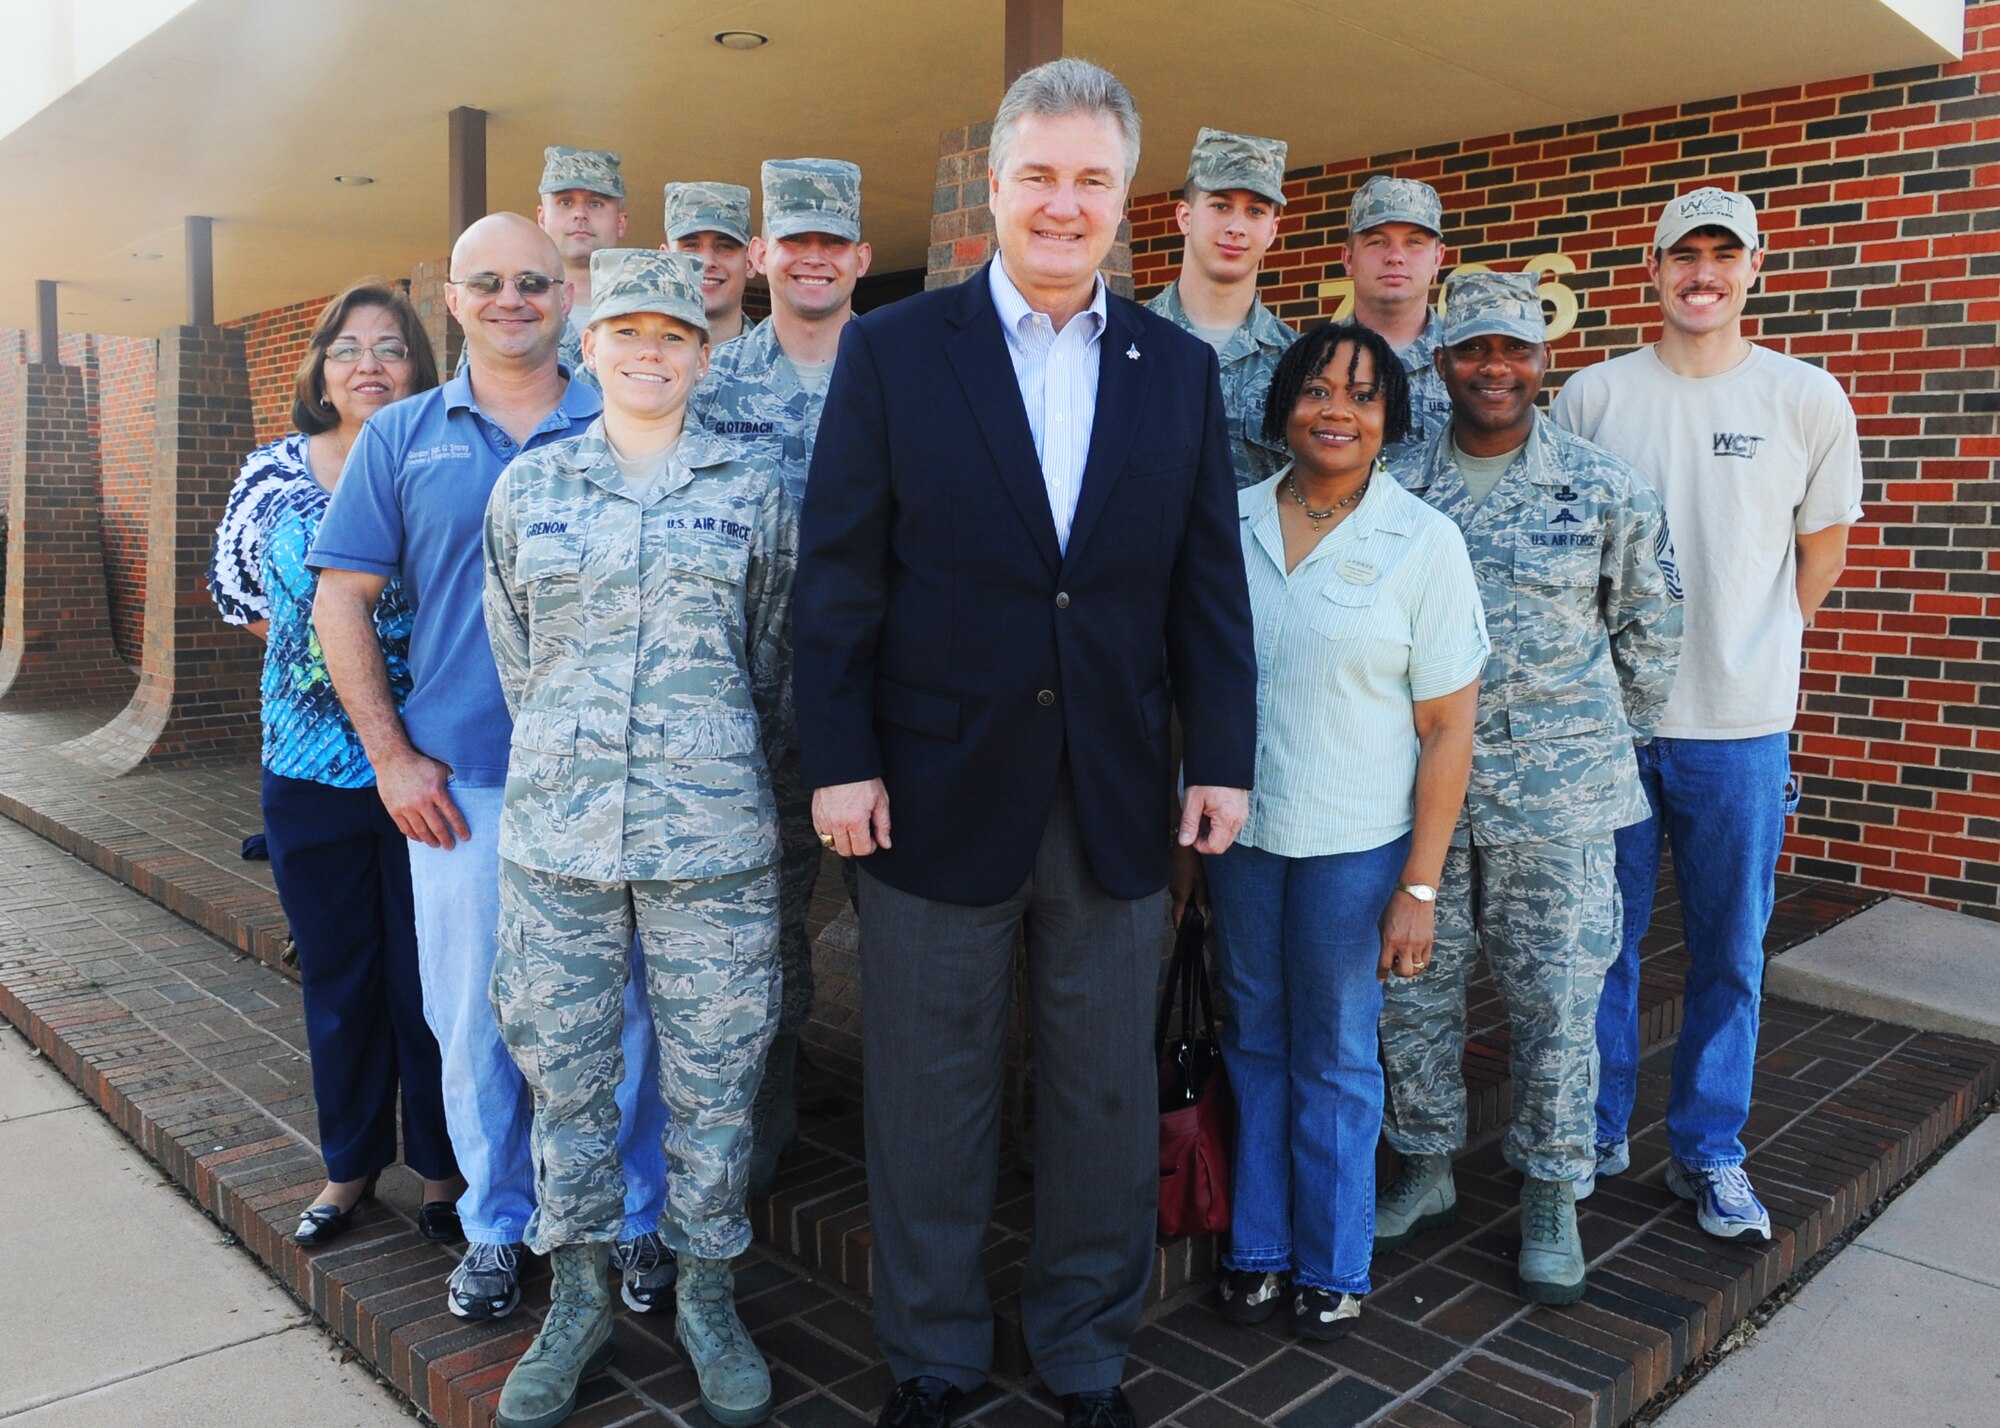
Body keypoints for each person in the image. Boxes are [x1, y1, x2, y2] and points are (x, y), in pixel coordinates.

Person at [795, 58, 1257, 1428]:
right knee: (928, 1091)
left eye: (1092, 181)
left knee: (1105, 1094)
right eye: (1039, 176)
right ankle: (934, 1351)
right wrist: (840, 757)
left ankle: (1083, 1347)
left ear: (1127, 199)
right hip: (927, 787)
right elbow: (840, 576)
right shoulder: (893, 350)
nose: (1064, 204)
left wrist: (1219, 757)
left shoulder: (1176, 371)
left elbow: (1206, 585)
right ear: (994, 187)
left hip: (1116, 792)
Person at [310, 213, 673, 1324]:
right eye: (487, 283)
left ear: (566, 296)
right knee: (473, 1023)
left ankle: (632, 1222)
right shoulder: (402, 436)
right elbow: (342, 599)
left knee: (625, 1018)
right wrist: (391, 760)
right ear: (453, 303)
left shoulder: (624, 416)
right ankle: (497, 1226)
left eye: (532, 280)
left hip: (606, 785)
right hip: (460, 787)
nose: (511, 298)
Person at [483, 248, 794, 1428]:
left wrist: (694, 756)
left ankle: (707, 1296)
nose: (649, 353)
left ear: (703, 355)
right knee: (565, 1081)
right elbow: (521, 660)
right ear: (588, 346)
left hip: (709, 844)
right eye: (627, 333)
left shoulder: (756, 488)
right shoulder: (531, 490)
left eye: (672, 335)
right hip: (557, 841)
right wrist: (578, 761)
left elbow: (772, 663)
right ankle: (578, 1299)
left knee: (714, 1086)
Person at [1552, 187, 1861, 1243]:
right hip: (1611, 728)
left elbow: (1817, 551)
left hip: (1737, 730)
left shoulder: (1804, 397)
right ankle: (1594, 1131)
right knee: (1602, 947)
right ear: (1650, 270)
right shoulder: (1592, 399)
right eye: (1682, 254)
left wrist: (1751, 643)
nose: (1701, 272)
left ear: (1752, 271)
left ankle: (1706, 1150)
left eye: (1721, 255)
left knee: (1729, 952)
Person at [1376, 271, 1682, 1304]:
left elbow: (1649, 629)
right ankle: (1423, 1167)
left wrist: (1593, 745)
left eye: (1511, 349)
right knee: (1409, 994)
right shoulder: (1396, 482)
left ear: (1540, 360)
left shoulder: (1602, 485)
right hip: (1417, 798)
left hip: (1556, 804)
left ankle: (1551, 1193)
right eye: (1471, 350)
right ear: (1441, 360)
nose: (1492, 368)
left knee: (1556, 1004)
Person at [1187, 320, 1484, 1339]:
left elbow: (1447, 729)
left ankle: (1333, 1259)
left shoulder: (1422, 542)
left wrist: (1419, 887)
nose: (1335, 411)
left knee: (1337, 1056)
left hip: (1355, 851)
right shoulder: (1222, 525)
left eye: (1361, 395)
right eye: (1316, 391)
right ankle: (1259, 1249)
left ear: (1387, 419)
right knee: (1254, 1044)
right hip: (1240, 841)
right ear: (1282, 410)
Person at [232, 282, 460, 1249]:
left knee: (431, 982)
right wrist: (328, 689)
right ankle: (349, 1165)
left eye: (393, 347)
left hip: (430, 771)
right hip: (308, 773)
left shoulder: (441, 457)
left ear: (419, 367)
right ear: (319, 368)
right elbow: (246, 598)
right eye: (348, 348)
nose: (369, 364)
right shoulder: (270, 473)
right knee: (337, 974)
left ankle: (446, 1171)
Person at [690, 157, 871, 1194]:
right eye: (790, 239)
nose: (810, 257)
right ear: (762, 256)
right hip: (754, 707)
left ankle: (906, 1116)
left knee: (902, 925)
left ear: (858, 256)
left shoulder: (903, 367)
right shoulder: (714, 384)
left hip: (884, 708)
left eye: (828, 240)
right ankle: (768, 1108)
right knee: (764, 924)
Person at [1145, 127, 1297, 488]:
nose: (1236, 227)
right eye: (1220, 205)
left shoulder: (1298, 361)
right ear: (1185, 216)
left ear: (1273, 230)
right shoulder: (1128, 341)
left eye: (1255, 211)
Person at [1342, 175, 1452, 458]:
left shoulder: (1465, 363)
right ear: (1348, 258)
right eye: (1377, 241)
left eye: (1414, 242)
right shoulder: (1311, 362)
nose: (1395, 256)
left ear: (1438, 259)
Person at [666, 181, 757, 346]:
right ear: (665, 260)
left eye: (725, 246)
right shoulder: (634, 359)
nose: (707, 261)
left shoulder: (786, 360)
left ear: (750, 261)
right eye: (691, 246)